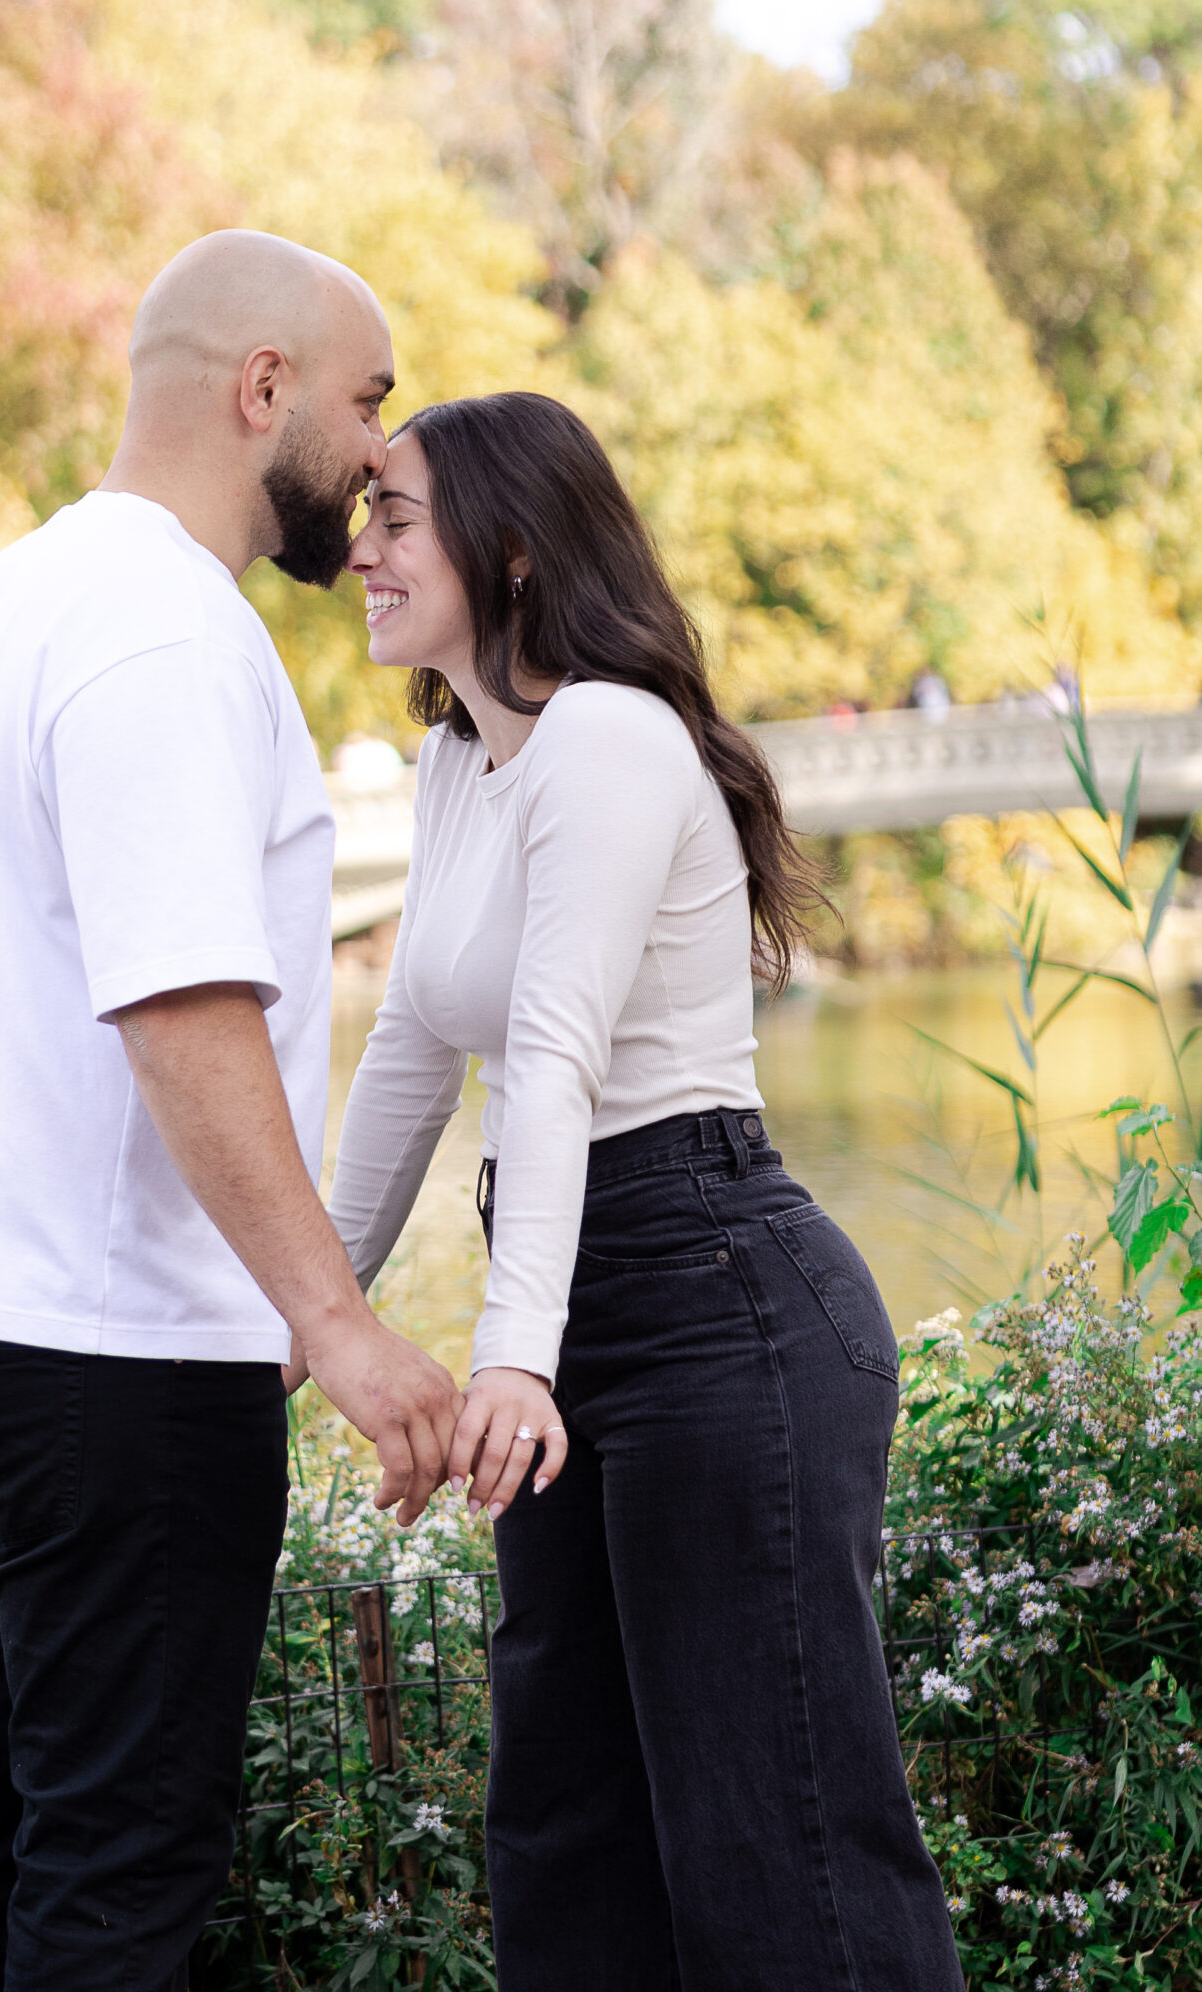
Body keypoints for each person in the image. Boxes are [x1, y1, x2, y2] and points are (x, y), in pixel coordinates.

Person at [0, 230, 462, 1992]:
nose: (381, 454)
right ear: (261, 389)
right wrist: (332, 1320)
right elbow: (179, 1009)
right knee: (115, 1863)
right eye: (366, 402)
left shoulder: (10, 596)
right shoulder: (169, 634)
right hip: (96, 1356)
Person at [326, 391, 964, 1991]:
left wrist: (508, 1354)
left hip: (717, 1303)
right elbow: (414, 1046)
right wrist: (309, 1311)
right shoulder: (465, 759)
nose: (362, 552)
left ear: (515, 548)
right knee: (566, 1841)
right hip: (585, 1310)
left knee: (780, 1856)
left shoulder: (611, 734)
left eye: (396, 517)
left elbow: (550, 1055)